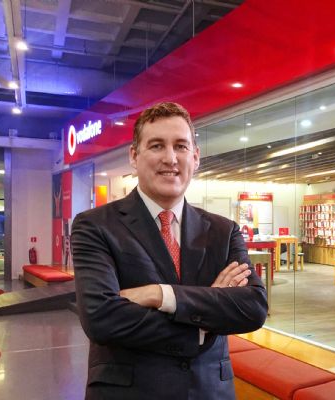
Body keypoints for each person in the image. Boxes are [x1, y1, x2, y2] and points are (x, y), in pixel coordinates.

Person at [71, 102, 268, 400]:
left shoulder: (224, 231)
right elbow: (102, 319)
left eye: (180, 146)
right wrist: (203, 321)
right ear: (134, 156)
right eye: (156, 146)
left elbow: (252, 308)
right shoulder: (95, 225)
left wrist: (161, 295)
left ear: (195, 157)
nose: (170, 158)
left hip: (209, 392)